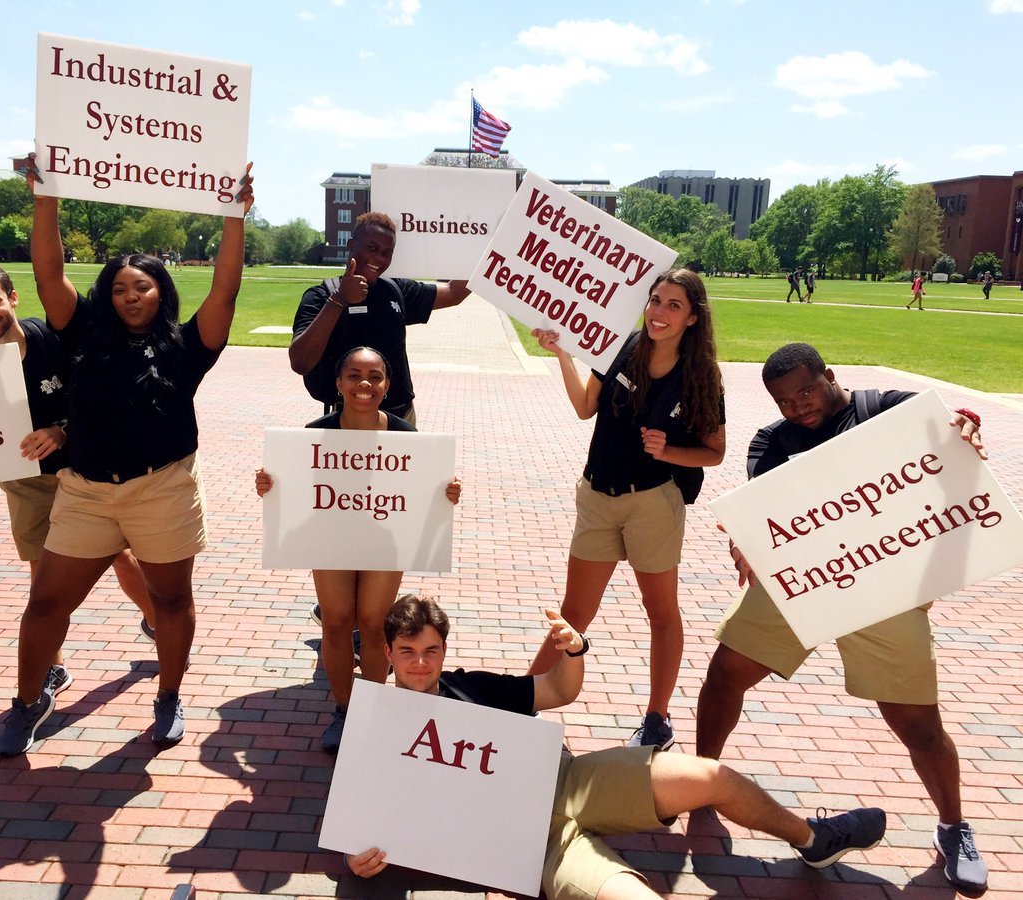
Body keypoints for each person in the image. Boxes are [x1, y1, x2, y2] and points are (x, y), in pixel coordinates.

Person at [345, 595, 888, 899]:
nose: (421, 663)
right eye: (407, 651)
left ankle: (813, 838)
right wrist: (354, 854)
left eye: (431, 650)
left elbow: (558, 690)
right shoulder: (376, 724)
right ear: (388, 654)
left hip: (571, 781)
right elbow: (356, 810)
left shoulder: (472, 687)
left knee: (711, 776)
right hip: (528, 842)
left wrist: (574, 649)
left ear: (444, 650)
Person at [695, 342, 990, 893]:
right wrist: (746, 539)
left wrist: (966, 425)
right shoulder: (772, 441)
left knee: (919, 725)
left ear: (829, 375)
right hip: (804, 580)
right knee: (724, 672)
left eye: (806, 391)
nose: (798, 407)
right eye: (785, 402)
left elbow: (951, 432)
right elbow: (764, 513)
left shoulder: (888, 409)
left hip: (882, 586)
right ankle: (699, 783)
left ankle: (954, 828)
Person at [0, 157, 254, 757]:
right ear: (106, 296)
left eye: (143, 286)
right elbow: (48, 274)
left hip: (163, 488)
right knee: (47, 603)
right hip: (85, 491)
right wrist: (45, 198)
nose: (131, 296)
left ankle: (169, 696)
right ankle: (27, 703)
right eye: (119, 288)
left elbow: (225, 289)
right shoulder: (81, 332)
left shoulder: (188, 345)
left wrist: (234, 216)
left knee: (171, 601)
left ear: (161, 291)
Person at [527, 269, 725, 750]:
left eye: (673, 305)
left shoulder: (701, 374)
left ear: (692, 318)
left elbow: (715, 452)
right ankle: (520, 702)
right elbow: (584, 407)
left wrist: (669, 451)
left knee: (661, 612)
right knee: (574, 612)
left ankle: (657, 718)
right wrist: (562, 353)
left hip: (652, 503)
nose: (659, 313)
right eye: (655, 301)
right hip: (597, 496)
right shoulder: (620, 347)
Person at [0, 263, 157, 681]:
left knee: (116, 554)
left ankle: (159, 623)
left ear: (12, 298)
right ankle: (52, 666)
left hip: (82, 468)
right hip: (24, 477)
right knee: (42, 572)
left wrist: (62, 430)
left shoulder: (54, 340)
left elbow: (106, 399)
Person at [255, 346, 461, 753]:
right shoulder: (313, 434)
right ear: (338, 383)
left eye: (374, 376)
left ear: (387, 385)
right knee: (335, 623)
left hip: (386, 540)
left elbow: (424, 491)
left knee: (373, 623)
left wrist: (447, 492)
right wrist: (270, 485)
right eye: (353, 375)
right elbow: (295, 488)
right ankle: (345, 710)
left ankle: (373, 708)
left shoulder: (406, 437)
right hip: (330, 536)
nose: (364, 384)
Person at [288, 212, 471, 425]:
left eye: (386, 253)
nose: (379, 259)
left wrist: (491, 252)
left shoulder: (395, 290)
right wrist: (339, 299)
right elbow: (300, 362)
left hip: (400, 417)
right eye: (372, 248)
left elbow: (453, 292)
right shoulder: (321, 296)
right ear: (351, 245)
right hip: (346, 422)